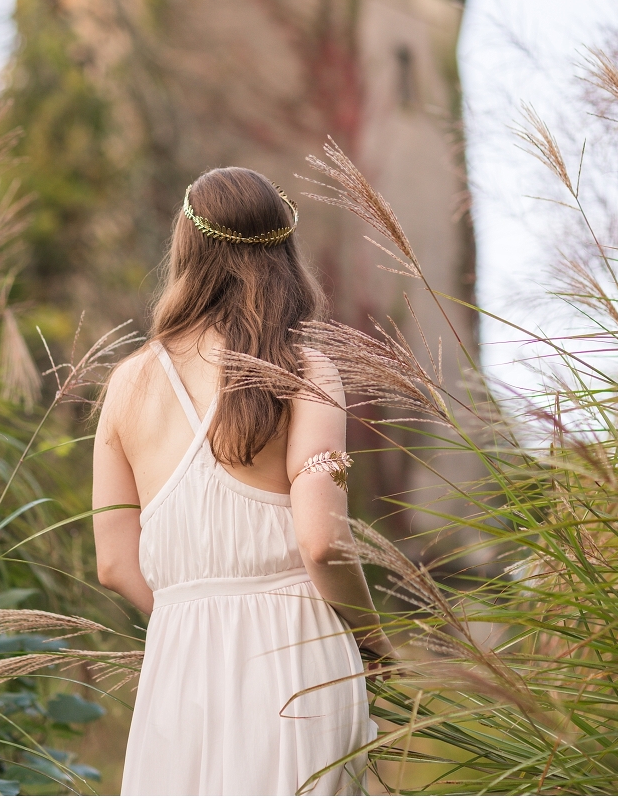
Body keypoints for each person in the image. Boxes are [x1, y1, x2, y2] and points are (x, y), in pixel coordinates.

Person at [93, 168, 393, 796]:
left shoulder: (127, 384)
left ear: (186, 249)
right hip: (299, 656)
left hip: (179, 662)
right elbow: (323, 543)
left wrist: (196, 615)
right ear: (285, 253)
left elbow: (115, 565)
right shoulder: (304, 369)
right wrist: (373, 643)